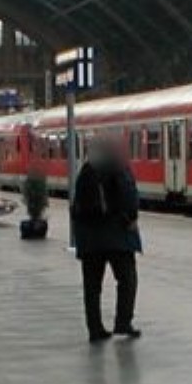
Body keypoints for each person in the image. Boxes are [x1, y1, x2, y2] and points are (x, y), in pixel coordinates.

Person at [72, 134, 142, 343]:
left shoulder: (86, 171)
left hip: (89, 239)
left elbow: (77, 206)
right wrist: (131, 219)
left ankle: (95, 329)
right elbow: (128, 196)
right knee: (127, 280)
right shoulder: (118, 167)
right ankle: (123, 322)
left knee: (92, 287)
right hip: (117, 235)